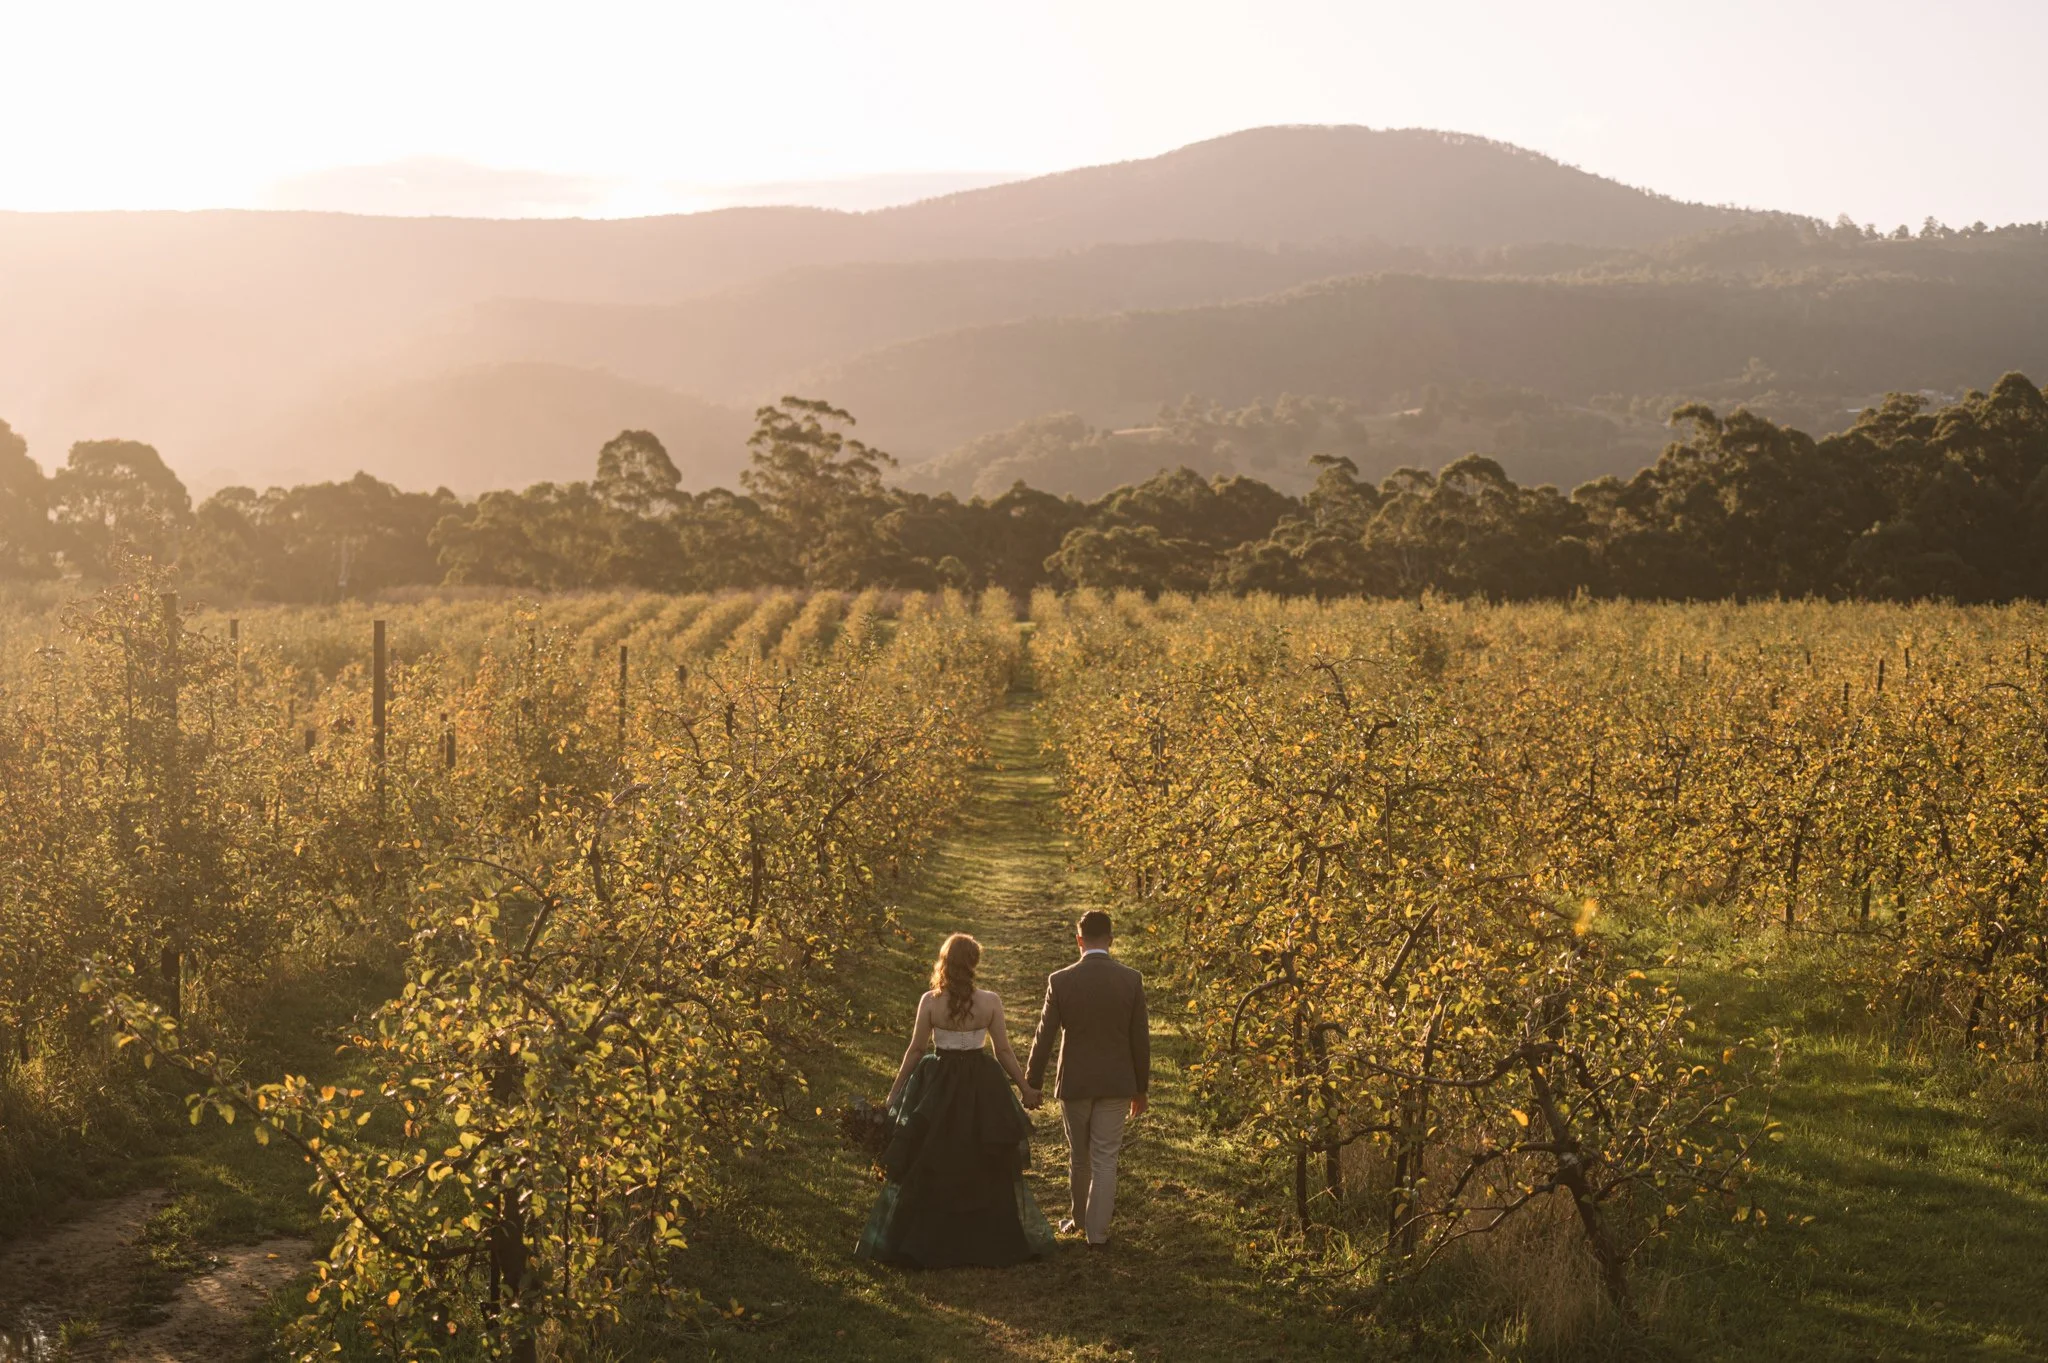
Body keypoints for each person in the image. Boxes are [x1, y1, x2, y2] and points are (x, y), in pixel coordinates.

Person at [856, 933, 1057, 1267]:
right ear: (974, 963)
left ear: (945, 962)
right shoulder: (990, 1001)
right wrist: (1024, 1088)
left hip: (938, 1083)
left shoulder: (930, 1001)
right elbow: (1003, 1050)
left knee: (934, 1155)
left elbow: (917, 1050)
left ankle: (929, 1241)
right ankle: (987, 1239)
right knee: (981, 1155)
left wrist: (894, 1096)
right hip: (982, 1083)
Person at [1026, 910, 1150, 1249]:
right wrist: (1141, 1088)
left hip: (1075, 1083)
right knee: (1106, 1158)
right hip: (1117, 1083)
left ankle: (1079, 1220)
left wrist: (1031, 1083)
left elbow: (1044, 1036)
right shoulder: (1131, 980)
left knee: (1079, 1156)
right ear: (1111, 940)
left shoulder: (1061, 980)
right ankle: (1097, 1234)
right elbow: (1140, 1038)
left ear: (1078, 940)